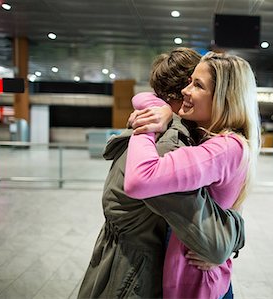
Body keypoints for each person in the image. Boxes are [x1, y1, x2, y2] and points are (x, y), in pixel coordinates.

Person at [78, 48, 245, 299]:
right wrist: (229, 243)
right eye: (191, 85)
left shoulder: (195, 140)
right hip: (134, 276)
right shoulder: (167, 144)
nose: (190, 92)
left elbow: (216, 208)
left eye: (197, 85)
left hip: (124, 265)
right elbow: (212, 241)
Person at [124, 51, 261, 299]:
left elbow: (139, 179)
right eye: (189, 82)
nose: (185, 91)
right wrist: (161, 109)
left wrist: (146, 127)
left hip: (196, 281)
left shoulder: (226, 148)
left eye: (197, 85)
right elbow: (143, 96)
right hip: (193, 271)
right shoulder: (215, 138)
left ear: (223, 98)